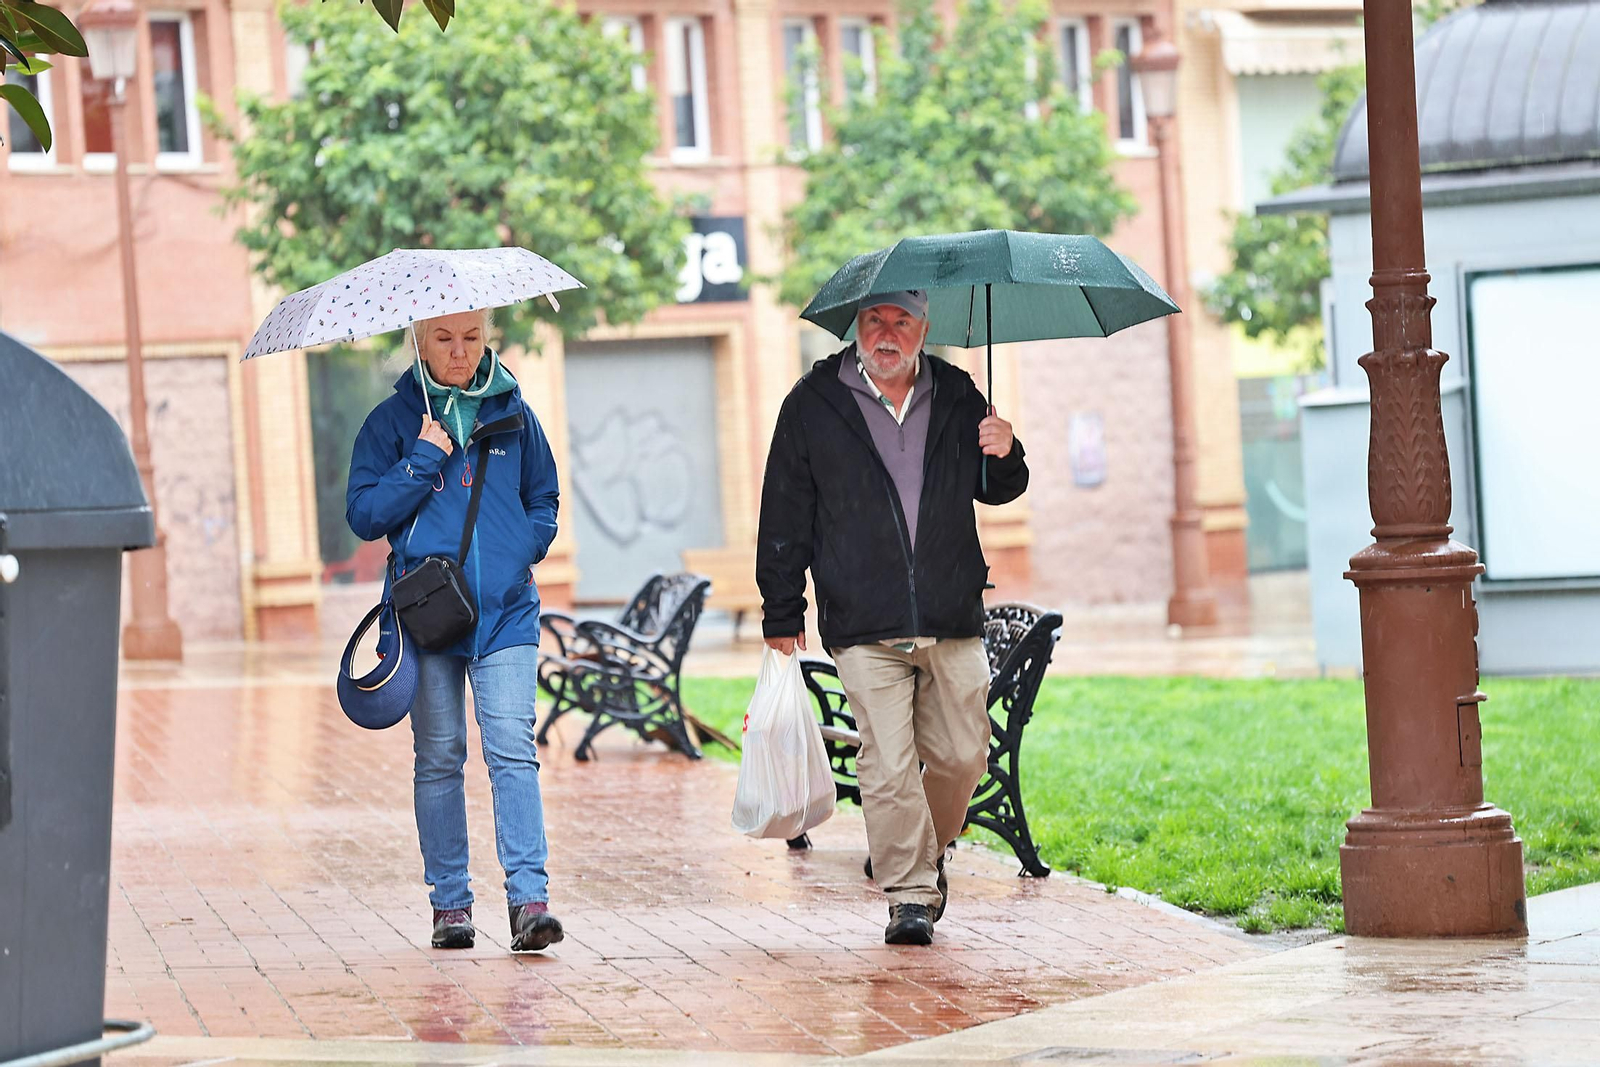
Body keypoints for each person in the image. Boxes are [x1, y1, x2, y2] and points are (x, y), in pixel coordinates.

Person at [756, 290, 1029, 945]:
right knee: (888, 763)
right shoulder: (813, 403)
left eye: (900, 321)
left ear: (923, 329)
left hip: (949, 611)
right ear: (856, 326)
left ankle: (919, 853)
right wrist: (781, 608)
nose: (886, 333)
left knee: (964, 754)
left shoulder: (959, 393)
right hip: (861, 616)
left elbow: (998, 489)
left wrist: (1005, 448)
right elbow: (784, 510)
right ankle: (908, 894)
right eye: (874, 320)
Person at [346, 308, 564, 953]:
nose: (460, 352)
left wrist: (520, 551)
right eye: (444, 338)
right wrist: (423, 456)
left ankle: (530, 902)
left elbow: (544, 498)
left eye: (472, 337)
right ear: (418, 341)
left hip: (506, 612)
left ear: (487, 336)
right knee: (440, 756)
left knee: (511, 747)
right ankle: (450, 907)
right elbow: (363, 515)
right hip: (428, 616)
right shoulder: (390, 423)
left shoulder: (513, 414)